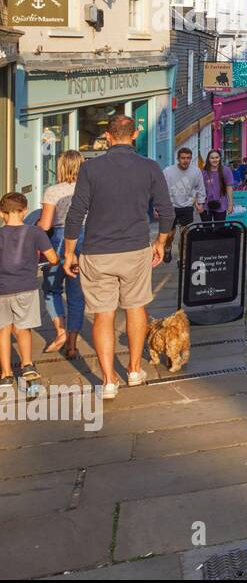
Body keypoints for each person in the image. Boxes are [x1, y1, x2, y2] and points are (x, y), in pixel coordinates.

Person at [62, 114, 174, 400]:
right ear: (134, 134)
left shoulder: (91, 169)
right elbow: (167, 211)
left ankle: (109, 380)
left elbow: (76, 213)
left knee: (103, 314)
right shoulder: (149, 167)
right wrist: (160, 242)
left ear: (108, 137)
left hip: (98, 252)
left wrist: (69, 252)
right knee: (136, 308)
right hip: (135, 249)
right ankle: (134, 370)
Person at [0, 193, 59, 394]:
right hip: (26, 287)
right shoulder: (35, 233)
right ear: (24, 210)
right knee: (23, 329)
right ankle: (27, 366)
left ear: (1, 213)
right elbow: (52, 258)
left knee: (3, 330)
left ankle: (6, 374)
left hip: (2, 289)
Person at [37, 151, 86, 360]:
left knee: (51, 289)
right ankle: (73, 345)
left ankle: (60, 332)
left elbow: (45, 225)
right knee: (76, 294)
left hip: (58, 240)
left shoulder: (53, 191)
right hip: (84, 239)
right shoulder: (89, 189)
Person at [162, 147, 204, 264]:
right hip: (170, 206)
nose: (185, 160)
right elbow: (161, 190)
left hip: (186, 206)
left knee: (185, 235)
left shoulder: (196, 171)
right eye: (183, 158)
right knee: (170, 235)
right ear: (178, 159)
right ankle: (168, 248)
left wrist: (200, 203)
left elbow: (200, 188)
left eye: (188, 158)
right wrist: (157, 207)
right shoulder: (168, 171)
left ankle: (183, 257)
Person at [200, 150, 235, 222]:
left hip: (221, 204)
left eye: (217, 157)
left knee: (219, 229)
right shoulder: (203, 172)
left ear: (220, 158)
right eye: (212, 158)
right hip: (206, 205)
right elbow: (198, 189)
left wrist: (231, 204)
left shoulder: (226, 170)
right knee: (207, 229)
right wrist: (198, 204)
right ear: (208, 159)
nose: (214, 160)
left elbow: (229, 188)